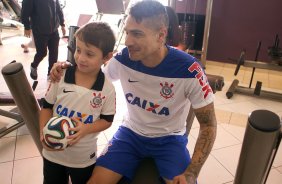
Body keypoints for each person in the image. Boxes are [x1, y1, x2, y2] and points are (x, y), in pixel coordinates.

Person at [50, 1, 217, 184]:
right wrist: (66, 69)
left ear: (161, 35)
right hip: (130, 134)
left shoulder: (189, 69)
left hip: (170, 140)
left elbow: (208, 125)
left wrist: (192, 173)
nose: (127, 41)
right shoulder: (123, 60)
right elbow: (93, 78)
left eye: (137, 34)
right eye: (127, 32)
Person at [40, 22, 116, 184]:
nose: (80, 58)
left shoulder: (107, 89)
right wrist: (43, 131)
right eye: (78, 50)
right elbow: (47, 106)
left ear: (107, 57)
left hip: (83, 159)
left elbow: (107, 120)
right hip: (52, 154)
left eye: (89, 54)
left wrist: (86, 128)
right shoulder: (60, 76)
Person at [21, 0, 66, 80]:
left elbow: (58, 9)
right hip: (39, 30)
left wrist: (62, 24)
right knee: (42, 53)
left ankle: (50, 74)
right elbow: (25, 11)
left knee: (54, 53)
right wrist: (27, 26)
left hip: (54, 30)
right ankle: (34, 66)